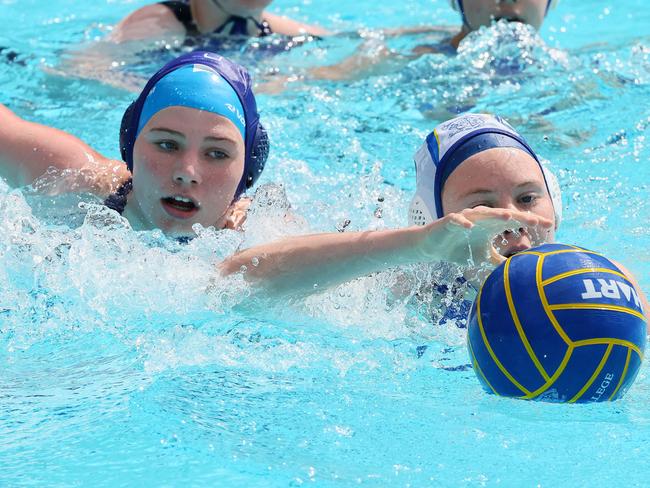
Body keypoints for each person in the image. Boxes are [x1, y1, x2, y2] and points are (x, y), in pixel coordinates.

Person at [219, 113, 649, 328]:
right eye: (483, 205)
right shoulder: (408, 287)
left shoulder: (598, 285)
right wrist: (419, 245)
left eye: (528, 197)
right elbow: (232, 284)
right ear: (436, 218)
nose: (512, 218)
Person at [0, 51, 268, 238]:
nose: (186, 172)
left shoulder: (259, 233)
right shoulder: (76, 181)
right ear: (130, 146)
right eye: (167, 145)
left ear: (248, 169)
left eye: (217, 153)